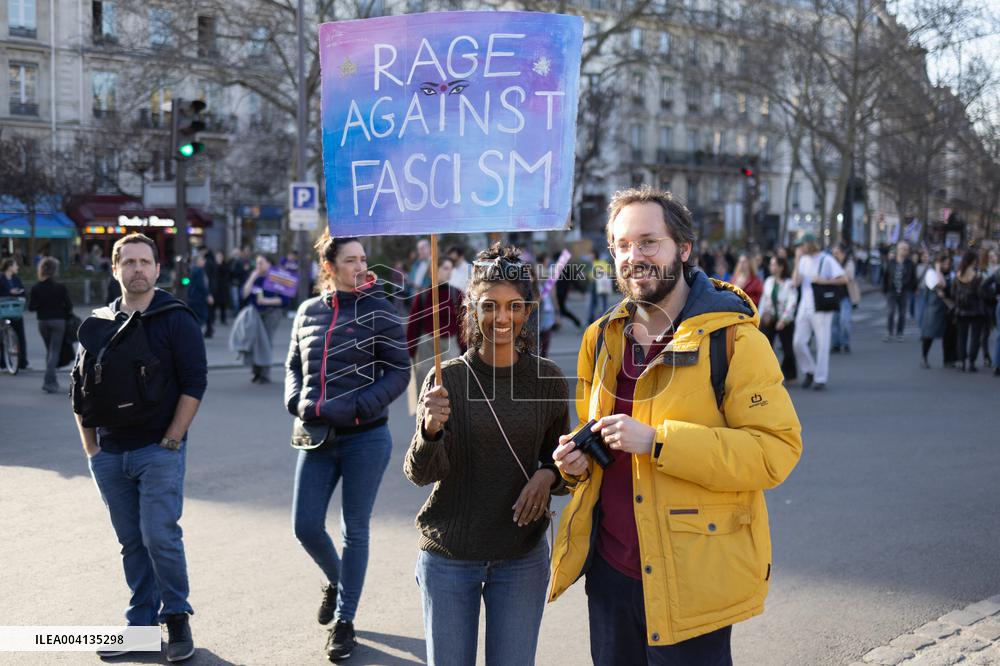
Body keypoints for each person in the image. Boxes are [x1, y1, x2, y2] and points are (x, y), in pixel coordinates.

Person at [549, 187, 802, 664]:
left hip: (690, 578)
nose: (633, 257)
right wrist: (574, 462)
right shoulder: (600, 338)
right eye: (622, 245)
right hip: (609, 575)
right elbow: (596, 440)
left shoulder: (734, 339)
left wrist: (659, 441)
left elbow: (775, 452)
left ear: (683, 249)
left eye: (649, 242)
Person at [405, 243, 569, 666]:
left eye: (514, 306)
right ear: (471, 308)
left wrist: (548, 475)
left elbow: (564, 460)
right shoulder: (447, 379)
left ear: (528, 311)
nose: (502, 317)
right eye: (489, 306)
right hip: (450, 558)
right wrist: (429, 429)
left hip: (521, 558)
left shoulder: (547, 380)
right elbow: (418, 473)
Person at [74, 233, 207, 662]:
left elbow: (194, 383)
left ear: (156, 268)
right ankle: (140, 627)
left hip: (158, 449)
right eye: (128, 262)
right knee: (132, 542)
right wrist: (91, 450)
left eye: (144, 261)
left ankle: (177, 618)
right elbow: (79, 392)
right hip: (109, 453)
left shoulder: (175, 318)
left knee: (159, 537)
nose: (137, 269)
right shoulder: (97, 322)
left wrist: (172, 439)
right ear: (115, 269)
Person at [285, 233, 409, 662]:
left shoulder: (380, 309)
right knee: (304, 526)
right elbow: (293, 368)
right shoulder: (307, 312)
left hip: (366, 437)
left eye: (363, 259)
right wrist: (296, 401)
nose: (360, 266)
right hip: (316, 435)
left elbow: (398, 371)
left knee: (354, 530)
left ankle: (345, 621)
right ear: (330, 266)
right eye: (351, 260)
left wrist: (360, 406)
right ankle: (337, 582)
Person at [792, 233, 847, 390]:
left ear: (809, 244)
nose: (800, 248)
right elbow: (796, 282)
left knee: (822, 343)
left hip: (822, 306)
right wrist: (796, 260)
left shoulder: (826, 259)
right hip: (804, 305)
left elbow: (844, 279)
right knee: (798, 342)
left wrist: (823, 280)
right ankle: (809, 369)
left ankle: (820, 378)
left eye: (802, 245)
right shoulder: (802, 260)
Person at [407, 255, 464, 368]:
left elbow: (463, 323)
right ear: (435, 269)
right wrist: (410, 351)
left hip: (450, 344)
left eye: (451, 269)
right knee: (425, 382)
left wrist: (464, 348)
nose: (449, 272)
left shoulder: (457, 294)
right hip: (426, 345)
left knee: (451, 382)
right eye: (445, 268)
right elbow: (413, 325)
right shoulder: (423, 295)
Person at [27, 257, 73, 393]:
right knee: (54, 351)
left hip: (43, 322)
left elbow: (31, 307)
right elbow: (69, 306)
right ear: (54, 271)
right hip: (59, 321)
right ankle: (48, 381)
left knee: (50, 351)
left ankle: (51, 381)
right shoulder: (60, 287)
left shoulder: (36, 287)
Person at [240, 254, 287, 383]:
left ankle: (265, 373)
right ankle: (256, 372)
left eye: (261, 263)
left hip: (272, 313)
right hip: (256, 313)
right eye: (257, 263)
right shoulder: (256, 278)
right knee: (255, 341)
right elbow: (244, 294)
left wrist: (266, 301)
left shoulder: (277, 278)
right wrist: (252, 277)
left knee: (266, 341)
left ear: (268, 264)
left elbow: (284, 300)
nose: (258, 266)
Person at [759, 255, 798, 383]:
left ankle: (790, 374)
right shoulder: (769, 281)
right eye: (771, 264)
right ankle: (767, 374)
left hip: (784, 320)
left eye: (774, 264)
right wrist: (759, 317)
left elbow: (792, 303)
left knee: (788, 349)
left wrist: (784, 319)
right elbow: (764, 301)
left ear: (781, 267)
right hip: (769, 319)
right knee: (765, 348)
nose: (772, 267)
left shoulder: (789, 284)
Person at [950, 250, 986, 373]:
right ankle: (971, 362)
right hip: (976, 310)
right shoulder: (978, 276)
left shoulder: (958, 274)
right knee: (975, 337)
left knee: (961, 337)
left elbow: (953, 293)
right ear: (973, 261)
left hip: (961, 310)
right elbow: (982, 293)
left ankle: (962, 361)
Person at [919, 252, 952, 369]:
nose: (947, 266)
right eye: (945, 263)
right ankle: (924, 357)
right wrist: (938, 269)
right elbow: (940, 284)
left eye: (949, 263)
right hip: (934, 308)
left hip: (946, 309)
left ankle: (947, 360)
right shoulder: (931, 272)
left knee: (948, 335)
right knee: (929, 335)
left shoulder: (949, 273)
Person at [882, 241, 917, 342]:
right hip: (892, 290)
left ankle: (900, 332)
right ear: (898, 250)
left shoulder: (910, 263)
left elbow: (913, 277)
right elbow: (885, 275)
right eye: (902, 249)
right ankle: (889, 332)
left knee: (902, 313)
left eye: (906, 249)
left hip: (904, 291)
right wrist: (884, 289)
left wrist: (914, 289)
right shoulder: (891, 262)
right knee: (890, 312)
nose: (904, 251)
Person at [0, 257, 28, 370]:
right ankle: (2, 361)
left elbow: (23, 291)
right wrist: (9, 293)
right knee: (2, 336)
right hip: (3, 310)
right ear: (10, 266)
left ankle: (22, 362)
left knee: (20, 336)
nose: (17, 267)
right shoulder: (1, 278)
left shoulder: (16, 279)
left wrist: (19, 293)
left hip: (15, 310)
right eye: (16, 265)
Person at [831, 243, 858, 353]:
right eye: (833, 253)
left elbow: (848, 277)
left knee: (844, 321)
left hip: (846, 296)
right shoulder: (832, 262)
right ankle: (836, 344)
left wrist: (835, 277)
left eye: (836, 253)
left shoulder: (849, 262)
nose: (834, 255)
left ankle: (845, 343)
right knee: (834, 322)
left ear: (842, 252)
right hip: (833, 296)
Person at [186, 253, 213, 337]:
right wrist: (208, 295)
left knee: (196, 316)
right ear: (198, 261)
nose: (204, 261)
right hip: (198, 297)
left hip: (193, 297)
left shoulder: (193, 269)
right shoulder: (199, 271)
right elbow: (201, 285)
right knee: (202, 316)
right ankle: (195, 334)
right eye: (202, 260)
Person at [407, 239, 432, 304]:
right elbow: (411, 278)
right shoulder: (416, 263)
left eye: (422, 248)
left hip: (428, 297)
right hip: (414, 296)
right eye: (419, 249)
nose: (420, 251)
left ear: (429, 248)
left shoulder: (434, 262)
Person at [211, 250, 230, 327]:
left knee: (223, 304)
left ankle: (223, 319)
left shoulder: (225, 265)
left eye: (220, 257)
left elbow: (227, 275)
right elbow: (213, 275)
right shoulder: (213, 265)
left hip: (223, 287)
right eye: (218, 257)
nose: (219, 258)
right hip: (215, 287)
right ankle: (212, 319)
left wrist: (220, 266)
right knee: (213, 305)